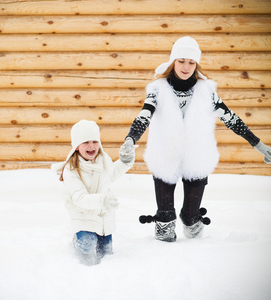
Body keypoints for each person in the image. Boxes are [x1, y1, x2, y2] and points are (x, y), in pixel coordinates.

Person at [120, 36, 271, 242]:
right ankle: (160, 258)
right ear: (173, 61)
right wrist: (131, 139)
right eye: (181, 61)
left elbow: (231, 119)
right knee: (165, 220)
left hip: (196, 156)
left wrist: (258, 144)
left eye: (191, 62)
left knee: (191, 219)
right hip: (166, 155)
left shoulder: (206, 92)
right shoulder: (158, 89)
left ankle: (196, 242)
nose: (186, 66)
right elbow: (145, 115)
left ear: (196, 64)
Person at [52, 120, 136, 265]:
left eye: (94, 141)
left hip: (103, 217)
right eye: (85, 142)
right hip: (83, 215)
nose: (91, 146)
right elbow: (80, 198)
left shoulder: (103, 160)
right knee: (87, 245)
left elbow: (113, 173)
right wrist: (102, 200)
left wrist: (125, 161)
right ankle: (78, 241)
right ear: (77, 146)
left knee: (106, 251)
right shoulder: (71, 170)